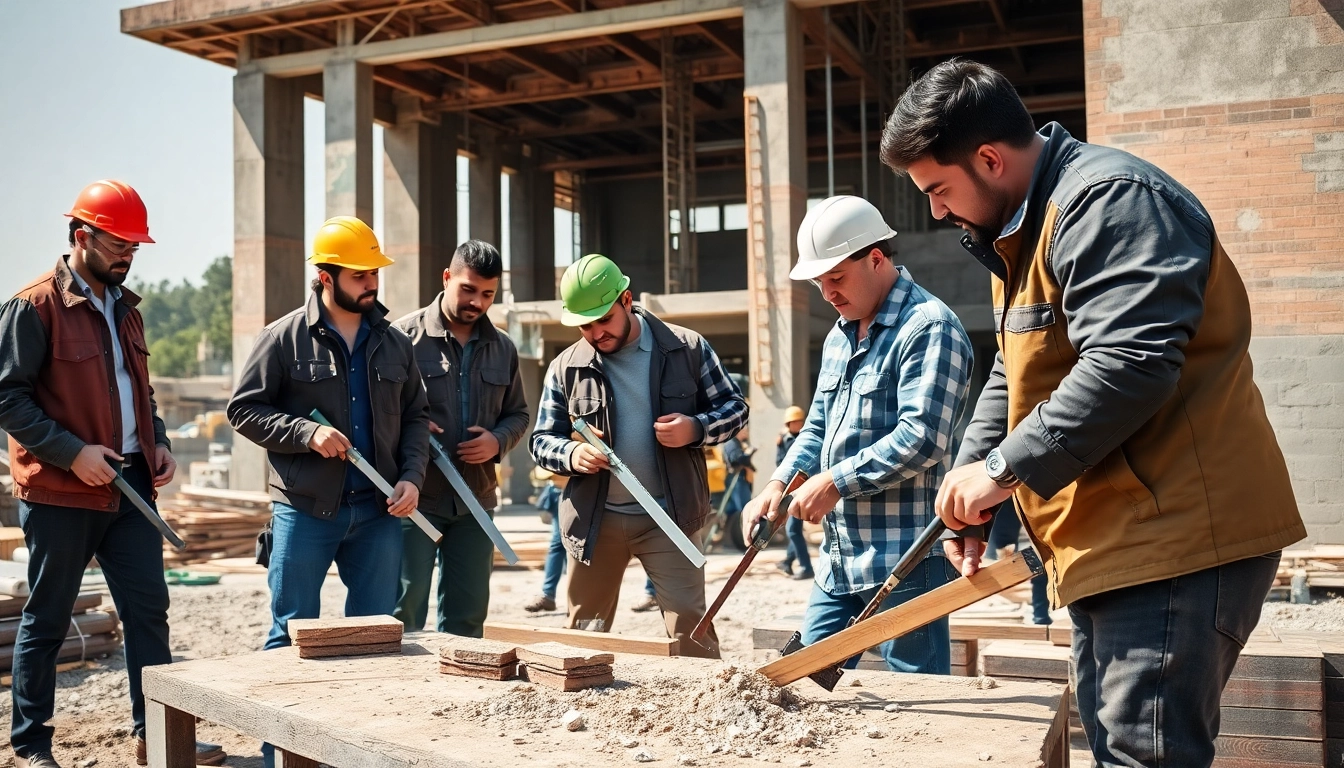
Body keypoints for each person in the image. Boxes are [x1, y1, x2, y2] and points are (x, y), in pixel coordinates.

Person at [880, 59, 1306, 767]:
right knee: (1113, 746)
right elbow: (1014, 371)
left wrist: (1003, 469)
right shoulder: (1025, 232)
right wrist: (972, 477)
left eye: (938, 189)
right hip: (1113, 541)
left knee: (1145, 753)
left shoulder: (1110, 201)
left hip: (1174, 540)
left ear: (989, 159)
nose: (936, 213)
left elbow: (1131, 362)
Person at [0, 181, 226, 768]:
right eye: (119, 244)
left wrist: (159, 443)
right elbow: (7, 399)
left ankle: (157, 736)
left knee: (149, 611)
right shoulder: (34, 307)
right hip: (61, 491)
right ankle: (31, 745)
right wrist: (71, 453)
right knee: (48, 617)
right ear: (82, 236)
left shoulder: (127, 311)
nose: (129, 255)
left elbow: (138, 393)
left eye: (135, 246)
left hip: (131, 489)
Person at [742, 195, 973, 675]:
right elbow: (818, 428)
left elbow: (923, 438)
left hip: (906, 560)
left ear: (876, 259)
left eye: (837, 278)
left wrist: (834, 482)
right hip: (841, 557)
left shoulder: (929, 328)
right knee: (804, 680)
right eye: (819, 282)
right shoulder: (839, 335)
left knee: (920, 699)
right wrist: (777, 484)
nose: (827, 293)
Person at [226, 216, 429, 664]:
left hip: (379, 512)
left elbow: (416, 417)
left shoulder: (396, 344)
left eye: (374, 273)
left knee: (376, 638)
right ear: (325, 277)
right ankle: (276, 716)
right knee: (290, 636)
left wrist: (412, 477)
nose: (371, 283)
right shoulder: (282, 338)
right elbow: (243, 411)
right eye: (359, 275)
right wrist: (306, 432)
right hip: (304, 511)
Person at [530, 254, 748, 658]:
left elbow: (735, 409)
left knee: (691, 633)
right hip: (595, 521)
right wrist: (571, 453)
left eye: (604, 320)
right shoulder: (566, 367)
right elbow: (542, 440)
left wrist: (696, 428)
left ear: (627, 300)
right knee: (584, 633)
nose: (595, 333)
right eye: (584, 325)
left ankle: (704, 697)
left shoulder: (687, 349)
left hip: (670, 518)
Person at [392, 240, 529, 637]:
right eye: (468, 289)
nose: (477, 302)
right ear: (446, 278)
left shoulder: (503, 348)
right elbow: (376, 412)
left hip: (476, 502)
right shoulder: (402, 338)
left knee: (467, 620)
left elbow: (518, 414)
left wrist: (497, 441)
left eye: (487, 294)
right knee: (402, 612)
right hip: (414, 499)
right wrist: (411, 426)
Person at [773, 405, 812, 580]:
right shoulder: (784, 440)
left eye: (799, 421)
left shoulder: (806, 439)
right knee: (793, 529)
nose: (796, 425)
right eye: (793, 422)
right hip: (790, 489)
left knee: (793, 530)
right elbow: (780, 462)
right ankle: (788, 561)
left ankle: (805, 567)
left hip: (802, 488)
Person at [524, 468, 567, 613]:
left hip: (578, 488)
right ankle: (548, 594)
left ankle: (581, 598)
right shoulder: (553, 487)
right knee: (558, 544)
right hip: (563, 487)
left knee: (573, 548)